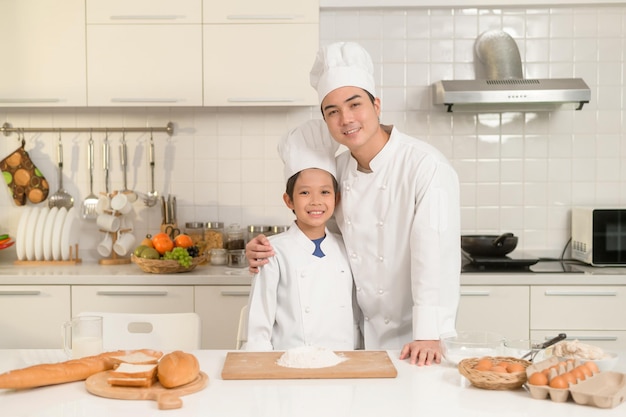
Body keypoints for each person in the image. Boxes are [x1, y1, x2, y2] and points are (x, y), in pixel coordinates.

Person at [247, 41, 461, 366]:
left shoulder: (425, 166)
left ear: (376, 104)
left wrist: (429, 333)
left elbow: (436, 256)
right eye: (332, 111)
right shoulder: (341, 171)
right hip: (359, 338)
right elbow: (322, 239)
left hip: (417, 338)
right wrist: (265, 251)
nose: (346, 119)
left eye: (354, 104)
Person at [242, 120, 361, 351]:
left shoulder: (345, 247)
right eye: (305, 192)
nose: (316, 201)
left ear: (335, 199)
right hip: (290, 365)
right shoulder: (273, 252)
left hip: (344, 365)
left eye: (324, 192)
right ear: (289, 201)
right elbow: (259, 326)